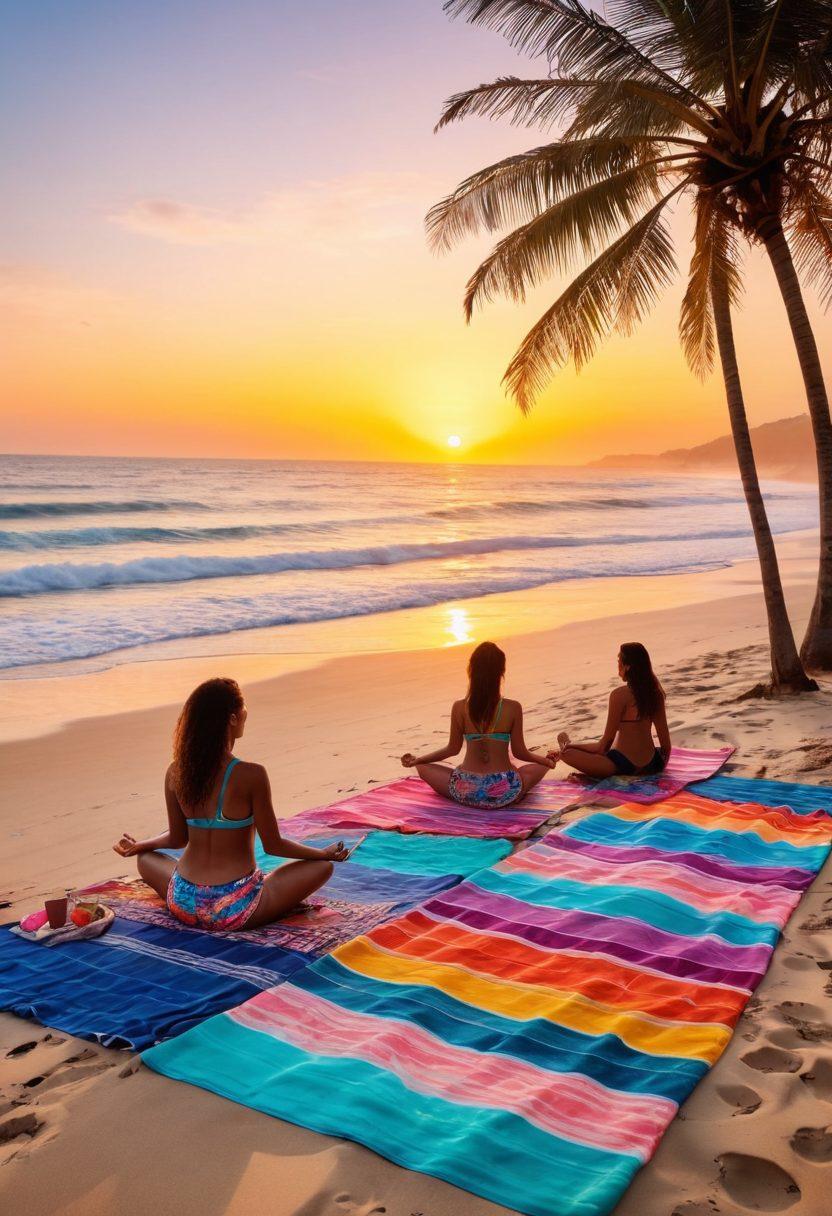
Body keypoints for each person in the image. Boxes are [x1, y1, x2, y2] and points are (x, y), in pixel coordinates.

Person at [113, 677, 346, 931]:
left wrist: (141, 846)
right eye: (243, 707)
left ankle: (178, 888)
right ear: (233, 718)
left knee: (146, 858)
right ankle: (273, 903)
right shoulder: (251, 774)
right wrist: (324, 854)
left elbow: (178, 839)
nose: (247, 712)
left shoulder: (176, 772)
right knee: (322, 868)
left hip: (182, 900)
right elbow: (274, 845)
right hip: (235, 906)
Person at [400, 641, 554, 808]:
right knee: (534, 768)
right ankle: (537, 773)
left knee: (423, 767)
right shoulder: (513, 707)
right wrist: (546, 762)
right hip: (505, 789)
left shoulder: (460, 707)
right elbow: (520, 753)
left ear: (471, 671)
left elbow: (452, 749)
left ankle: (420, 763)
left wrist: (419, 760)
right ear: (501, 672)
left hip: (466, 789)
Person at [554, 642, 671, 778]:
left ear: (627, 666)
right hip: (652, 764)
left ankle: (566, 742)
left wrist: (572, 746)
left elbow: (602, 747)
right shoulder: (655, 694)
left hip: (622, 766)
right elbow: (666, 746)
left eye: (619, 661)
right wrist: (659, 771)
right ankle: (568, 743)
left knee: (566, 753)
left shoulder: (619, 695)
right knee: (610, 746)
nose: (618, 665)